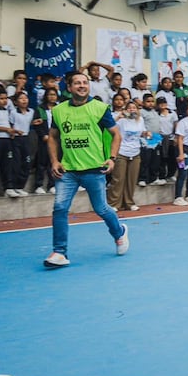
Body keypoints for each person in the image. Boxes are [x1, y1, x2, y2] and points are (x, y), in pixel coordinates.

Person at [44, 71, 129, 268]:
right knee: (59, 208)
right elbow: (53, 137)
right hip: (68, 171)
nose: (82, 86)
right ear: (69, 87)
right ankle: (59, 252)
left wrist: (112, 158)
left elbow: (116, 135)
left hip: (94, 169)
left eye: (85, 83)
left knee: (101, 209)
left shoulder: (99, 108)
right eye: (77, 83)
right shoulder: (59, 111)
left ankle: (119, 233)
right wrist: (55, 161)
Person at [110, 101, 145, 212]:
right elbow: (109, 128)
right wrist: (118, 117)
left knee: (131, 179)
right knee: (118, 179)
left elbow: (142, 132)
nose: (131, 110)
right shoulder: (121, 120)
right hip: (121, 152)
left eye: (134, 108)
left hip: (135, 152)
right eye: (129, 108)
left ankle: (129, 203)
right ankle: (114, 203)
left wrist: (147, 133)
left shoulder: (140, 120)